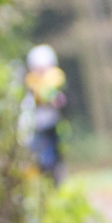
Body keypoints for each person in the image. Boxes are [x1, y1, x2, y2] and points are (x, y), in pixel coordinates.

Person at [22, 44, 67, 181]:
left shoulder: (58, 82)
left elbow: (66, 104)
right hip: (35, 128)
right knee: (38, 159)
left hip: (53, 128)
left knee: (54, 160)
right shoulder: (29, 84)